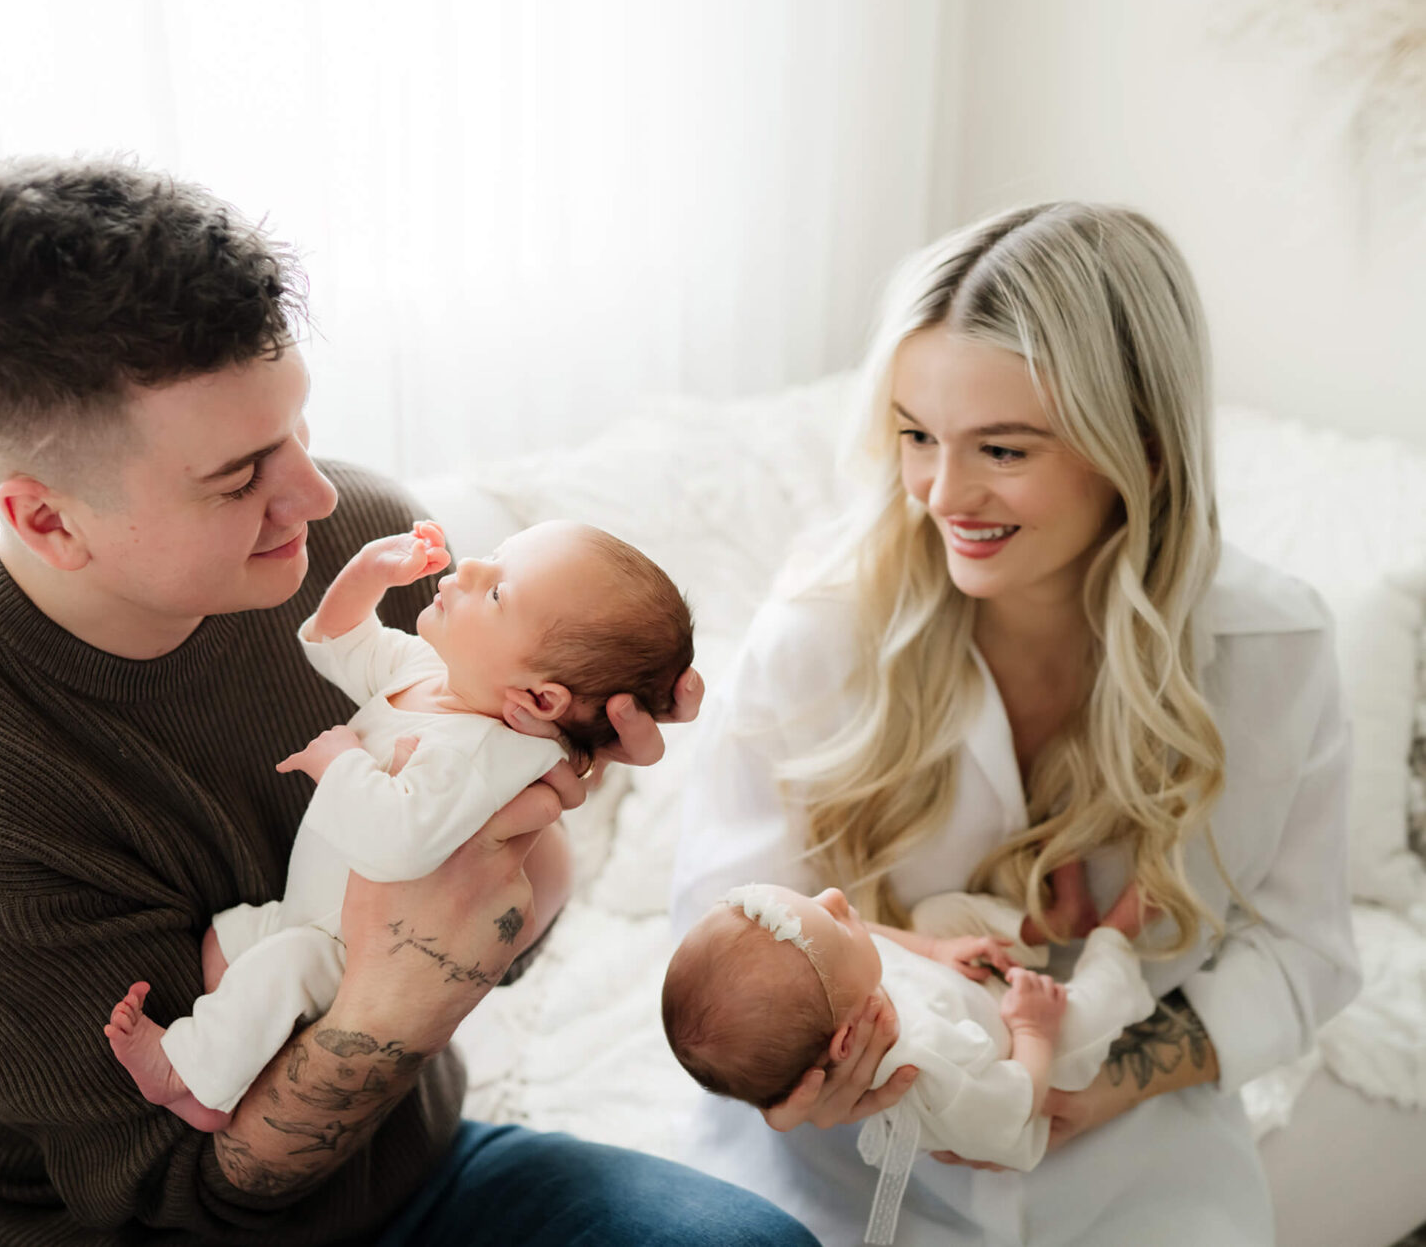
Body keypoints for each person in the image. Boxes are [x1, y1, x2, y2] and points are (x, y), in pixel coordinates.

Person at [0, 155, 815, 1246]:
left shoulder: (351, 546)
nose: (315, 492)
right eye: (239, 474)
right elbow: (194, 1192)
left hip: (417, 1172)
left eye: (297, 428)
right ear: (48, 519)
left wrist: (533, 787)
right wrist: (396, 998)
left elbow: (500, 938)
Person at [669, 201, 1360, 1245]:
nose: (943, 493)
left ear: (1142, 448)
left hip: (1135, 1168)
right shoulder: (819, 631)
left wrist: (1102, 1084)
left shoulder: (1272, 647)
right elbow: (724, 927)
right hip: (828, 1164)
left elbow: (1304, 949)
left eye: (1001, 447)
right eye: (915, 436)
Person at [105, 519, 693, 1126]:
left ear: (541, 700)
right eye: (490, 557)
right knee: (227, 943)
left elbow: (398, 844)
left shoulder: (484, 749)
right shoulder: (433, 677)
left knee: (284, 970)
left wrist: (341, 765)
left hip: (352, 954)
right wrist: (366, 576)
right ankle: (237, 1056)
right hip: (305, 914)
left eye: (496, 592)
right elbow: (338, 643)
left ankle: (191, 1081)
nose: (467, 570)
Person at [663, 881, 1156, 1244]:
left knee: (939, 913)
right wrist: (1034, 1029)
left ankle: (1052, 921)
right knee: (1088, 1014)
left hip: (957, 990)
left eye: (814, 901)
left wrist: (936, 950)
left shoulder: (841, 985)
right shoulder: (926, 1061)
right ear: (847, 1040)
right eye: (833, 921)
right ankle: (1115, 936)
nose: (834, 895)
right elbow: (1010, 1112)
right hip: (1016, 1061)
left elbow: (869, 939)